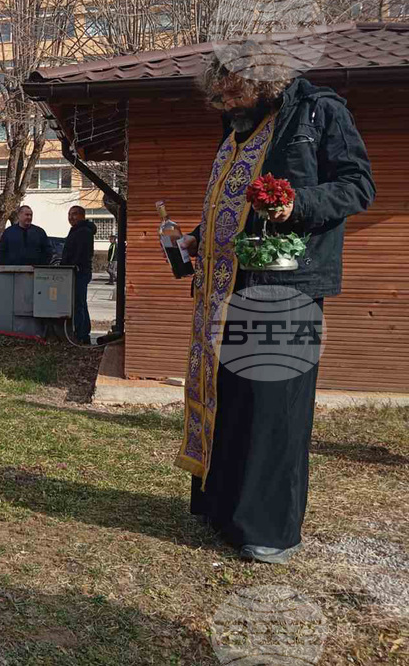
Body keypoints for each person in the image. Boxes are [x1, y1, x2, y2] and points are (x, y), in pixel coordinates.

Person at [176, 51, 375, 564]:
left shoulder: (318, 111)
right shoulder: (240, 126)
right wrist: (200, 237)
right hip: (229, 285)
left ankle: (268, 529)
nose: (224, 103)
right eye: (218, 96)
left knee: (273, 411)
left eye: (231, 92)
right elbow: (231, 203)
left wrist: (297, 205)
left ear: (262, 79)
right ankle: (224, 511)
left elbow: (358, 186)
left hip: (287, 284)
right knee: (233, 397)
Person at [60, 205, 95, 344]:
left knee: (79, 304)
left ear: (82, 215)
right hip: (75, 271)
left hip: (79, 272)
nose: (71, 217)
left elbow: (79, 254)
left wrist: (70, 267)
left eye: (74, 214)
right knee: (79, 303)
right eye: (69, 214)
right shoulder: (76, 230)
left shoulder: (83, 231)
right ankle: (81, 332)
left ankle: (82, 334)